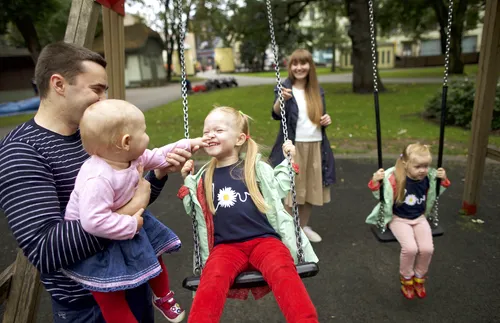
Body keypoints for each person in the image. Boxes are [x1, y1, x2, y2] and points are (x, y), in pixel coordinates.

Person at [0, 42, 192, 323]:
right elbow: (46, 249)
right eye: (97, 89)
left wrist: (156, 177)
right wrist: (133, 207)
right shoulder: (23, 153)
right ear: (59, 84)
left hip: (133, 278)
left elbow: (118, 199)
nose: (104, 99)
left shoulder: (94, 135)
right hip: (89, 304)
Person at [60, 99, 207, 323]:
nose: (148, 137)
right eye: (144, 131)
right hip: (95, 247)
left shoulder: (132, 157)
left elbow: (161, 156)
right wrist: (130, 224)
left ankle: (163, 296)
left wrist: (190, 143)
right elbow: (92, 222)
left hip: (122, 221)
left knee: (154, 254)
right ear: (126, 141)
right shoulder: (97, 178)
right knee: (111, 295)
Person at [177, 107, 319, 323]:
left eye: (218, 130)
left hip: (264, 241)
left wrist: (289, 162)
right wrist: (188, 180)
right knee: (211, 281)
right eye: (206, 132)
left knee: (283, 272)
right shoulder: (203, 176)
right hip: (226, 248)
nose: (210, 135)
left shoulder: (255, 168)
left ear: (239, 139)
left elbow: (278, 187)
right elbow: (195, 211)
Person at [366, 143, 450, 299]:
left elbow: (437, 192)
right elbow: (381, 197)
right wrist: (376, 181)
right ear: (405, 164)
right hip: (399, 219)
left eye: (426, 166)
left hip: (419, 218)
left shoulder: (429, 178)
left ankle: (419, 278)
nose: (423, 170)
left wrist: (442, 179)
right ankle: (406, 278)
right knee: (410, 248)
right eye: (418, 166)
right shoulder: (394, 178)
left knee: (427, 249)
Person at [269, 48, 335, 243]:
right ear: (290, 67)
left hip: (316, 146)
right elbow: (275, 113)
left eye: (303, 63)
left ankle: (303, 227)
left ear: (310, 66)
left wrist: (326, 120)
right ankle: (287, 232)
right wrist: (281, 100)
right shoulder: (285, 87)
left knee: (310, 191)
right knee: (292, 192)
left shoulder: (316, 89)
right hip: (294, 146)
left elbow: (320, 116)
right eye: (295, 63)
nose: (299, 67)